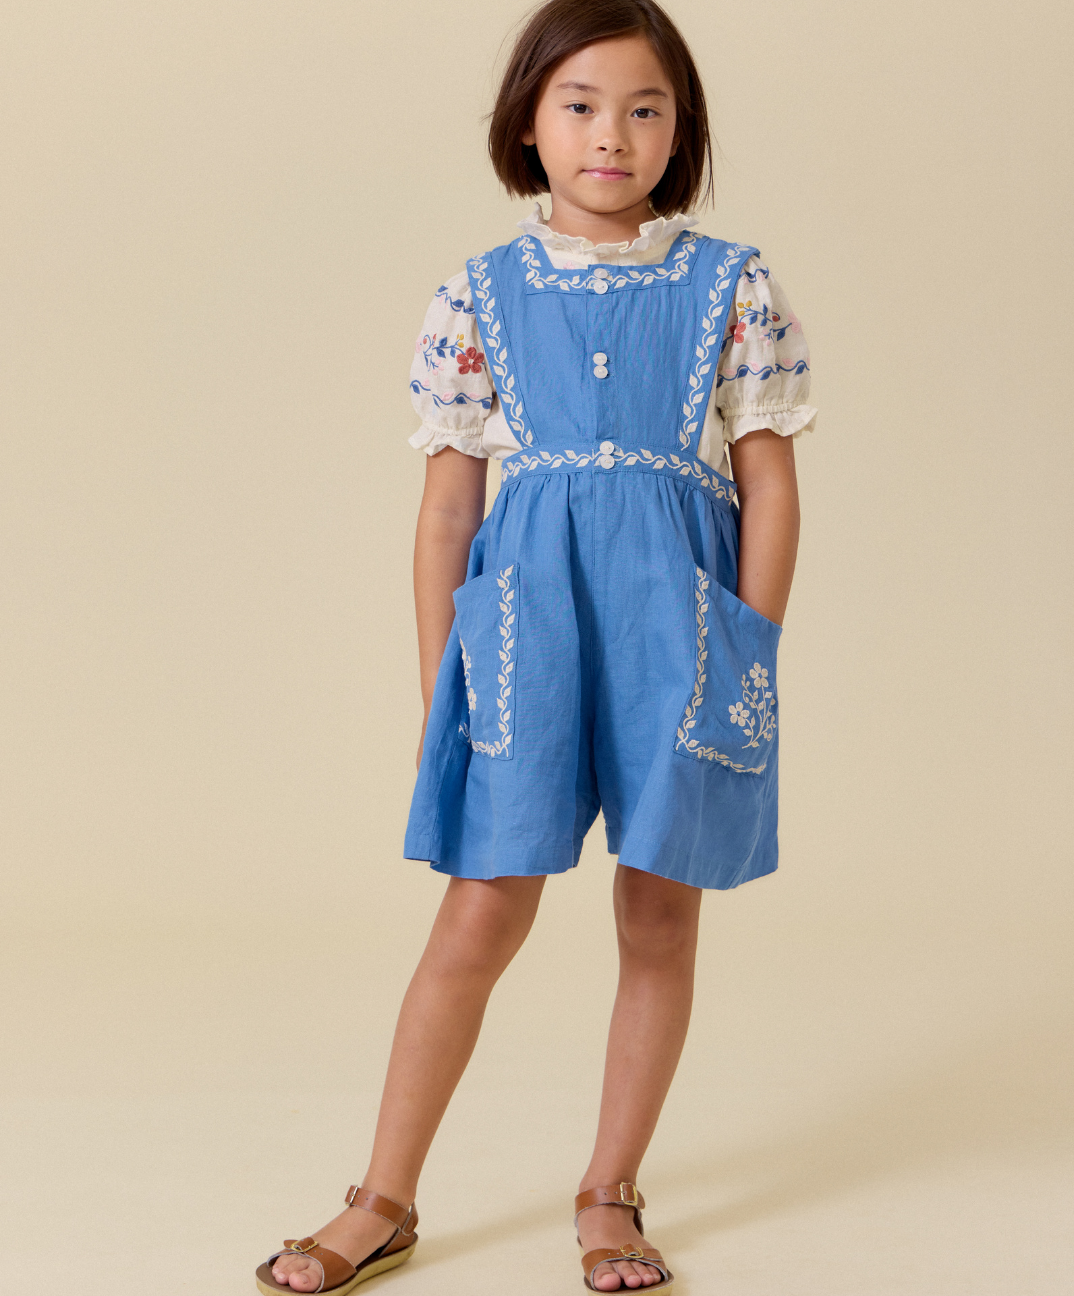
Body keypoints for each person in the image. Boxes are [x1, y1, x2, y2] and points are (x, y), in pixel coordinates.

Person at [255, 1, 814, 1291]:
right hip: (523, 637)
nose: (611, 134)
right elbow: (448, 508)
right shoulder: (478, 294)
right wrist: (438, 676)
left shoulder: (733, 285)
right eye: (580, 105)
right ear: (527, 123)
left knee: (657, 910)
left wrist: (749, 646)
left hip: (683, 634)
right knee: (481, 907)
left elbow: (771, 485)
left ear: (680, 131)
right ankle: (383, 1197)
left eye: (644, 109)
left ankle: (609, 1191)